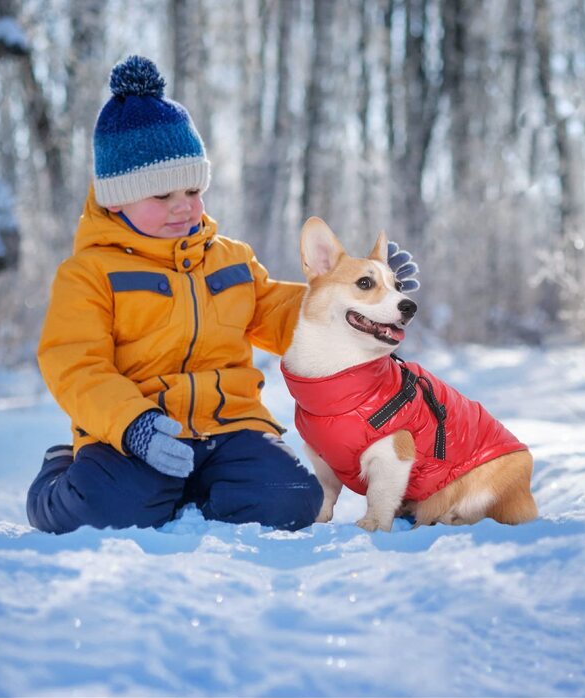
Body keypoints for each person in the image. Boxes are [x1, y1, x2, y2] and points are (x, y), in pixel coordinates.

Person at [26, 55, 418, 535]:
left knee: (293, 501)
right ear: (116, 198)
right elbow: (73, 365)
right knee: (111, 512)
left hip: (229, 427)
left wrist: (359, 297)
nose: (184, 207)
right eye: (162, 196)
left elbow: (280, 313)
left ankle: (190, 492)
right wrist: (133, 424)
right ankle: (58, 477)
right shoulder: (89, 273)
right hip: (134, 432)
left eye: (193, 190)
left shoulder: (230, 258)